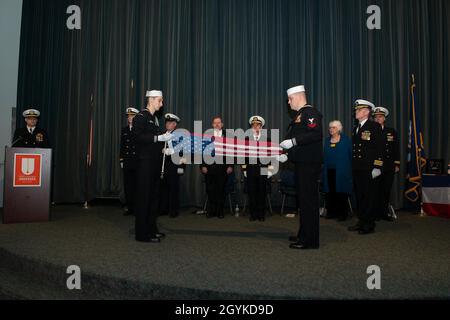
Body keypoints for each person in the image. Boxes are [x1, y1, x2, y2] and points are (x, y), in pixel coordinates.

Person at [280, 85, 323, 250]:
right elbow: (300, 139)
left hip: (309, 165)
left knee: (308, 202)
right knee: (303, 202)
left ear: (298, 97)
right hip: (301, 163)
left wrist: (293, 142)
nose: (289, 103)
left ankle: (310, 240)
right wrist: (287, 154)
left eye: (290, 99)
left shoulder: (310, 113)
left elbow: (315, 134)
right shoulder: (300, 115)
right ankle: (303, 234)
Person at [133, 90, 174, 243]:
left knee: (153, 199)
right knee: (144, 198)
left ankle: (151, 230)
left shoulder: (154, 119)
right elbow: (137, 137)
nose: (161, 104)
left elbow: (153, 143)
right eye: (160, 100)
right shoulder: (141, 117)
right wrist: (158, 137)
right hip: (144, 164)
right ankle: (142, 234)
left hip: (154, 164)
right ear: (151, 100)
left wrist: (164, 148)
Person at [348, 99, 384, 235]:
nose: (356, 112)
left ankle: (369, 225)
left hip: (369, 168)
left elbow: (380, 148)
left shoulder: (374, 126)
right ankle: (362, 221)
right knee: (360, 196)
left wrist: (377, 167)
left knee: (369, 196)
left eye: (358, 110)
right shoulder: (356, 128)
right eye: (356, 110)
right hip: (358, 168)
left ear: (366, 112)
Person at [200, 116, 233, 219]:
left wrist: (230, 165)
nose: (217, 124)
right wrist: (203, 166)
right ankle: (211, 211)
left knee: (221, 190)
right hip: (209, 168)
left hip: (222, 168)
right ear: (212, 125)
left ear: (222, 124)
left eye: (219, 123)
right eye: (215, 123)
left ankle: (220, 211)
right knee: (210, 190)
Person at [373, 106, 400, 221]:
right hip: (376, 166)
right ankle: (375, 213)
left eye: (380, 117)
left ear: (384, 118)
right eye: (376, 117)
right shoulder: (371, 131)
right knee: (375, 190)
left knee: (386, 190)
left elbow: (396, 148)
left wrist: (397, 163)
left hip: (389, 166)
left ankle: (384, 213)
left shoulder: (391, 131)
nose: (378, 119)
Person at [241, 116, 271, 222]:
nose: (256, 127)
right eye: (253, 125)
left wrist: (270, 170)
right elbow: (243, 156)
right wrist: (244, 169)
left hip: (263, 168)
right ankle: (253, 214)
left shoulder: (267, 139)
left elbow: (270, 156)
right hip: (251, 169)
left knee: (262, 192)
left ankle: (261, 214)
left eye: (258, 125)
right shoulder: (246, 140)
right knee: (252, 192)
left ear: (261, 127)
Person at [322, 120, 353, 221]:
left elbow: (351, 155)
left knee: (341, 192)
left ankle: (343, 214)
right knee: (330, 192)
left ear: (339, 128)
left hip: (342, 171)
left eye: (334, 127)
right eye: (330, 127)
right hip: (329, 171)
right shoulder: (327, 140)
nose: (331, 129)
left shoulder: (346, 140)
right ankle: (331, 212)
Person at [159, 113, 186, 218]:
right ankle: (163, 209)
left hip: (175, 166)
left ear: (175, 125)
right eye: (167, 122)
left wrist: (181, 168)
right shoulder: (162, 135)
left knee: (173, 189)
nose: (168, 124)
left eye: (170, 123)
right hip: (163, 166)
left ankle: (173, 210)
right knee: (163, 189)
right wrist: (161, 150)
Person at [120, 107, 139, 216]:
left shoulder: (139, 130)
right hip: (127, 162)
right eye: (128, 116)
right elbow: (122, 146)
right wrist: (121, 159)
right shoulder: (125, 130)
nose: (130, 118)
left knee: (136, 186)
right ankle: (129, 207)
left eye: (132, 116)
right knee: (128, 186)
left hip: (137, 162)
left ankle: (137, 208)